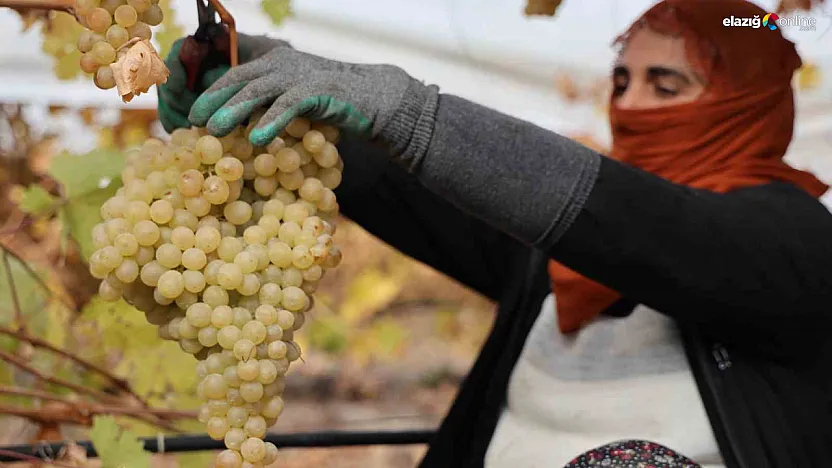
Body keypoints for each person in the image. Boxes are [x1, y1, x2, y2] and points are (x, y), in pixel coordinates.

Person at [157, 0, 832, 466]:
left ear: (745, 102)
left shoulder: (793, 242)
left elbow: (643, 226)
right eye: (622, 81)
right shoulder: (558, 260)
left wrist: (410, 113)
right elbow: (426, 191)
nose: (629, 105)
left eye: (666, 84)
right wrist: (274, 93)